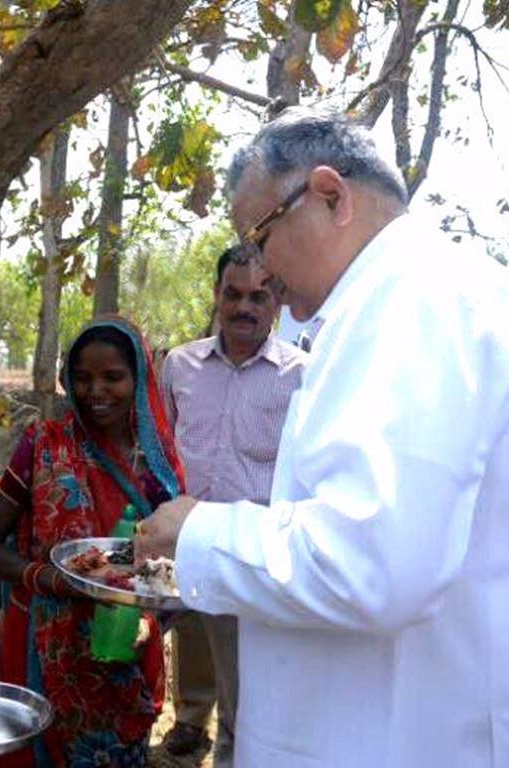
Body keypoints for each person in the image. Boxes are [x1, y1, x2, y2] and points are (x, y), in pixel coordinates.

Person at [134, 106, 509, 767]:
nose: (260, 271)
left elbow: (374, 563)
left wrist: (200, 533)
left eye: (261, 235)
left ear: (330, 196)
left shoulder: (413, 302)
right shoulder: (418, 295)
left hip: (414, 734)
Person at [0, 316, 185, 768]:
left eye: (112, 377)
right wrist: (48, 578)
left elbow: (173, 567)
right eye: (83, 378)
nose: (95, 391)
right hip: (41, 647)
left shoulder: (158, 468)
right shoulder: (43, 446)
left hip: (123, 651)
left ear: (139, 379)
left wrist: (149, 622)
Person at [160, 246, 305, 763]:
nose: (244, 307)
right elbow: (162, 443)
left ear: (277, 300)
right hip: (184, 541)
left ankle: (233, 749)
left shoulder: (303, 377)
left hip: (251, 552)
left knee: (245, 683)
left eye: (258, 296)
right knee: (193, 639)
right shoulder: (180, 365)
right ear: (216, 295)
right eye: (233, 294)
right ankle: (190, 720)